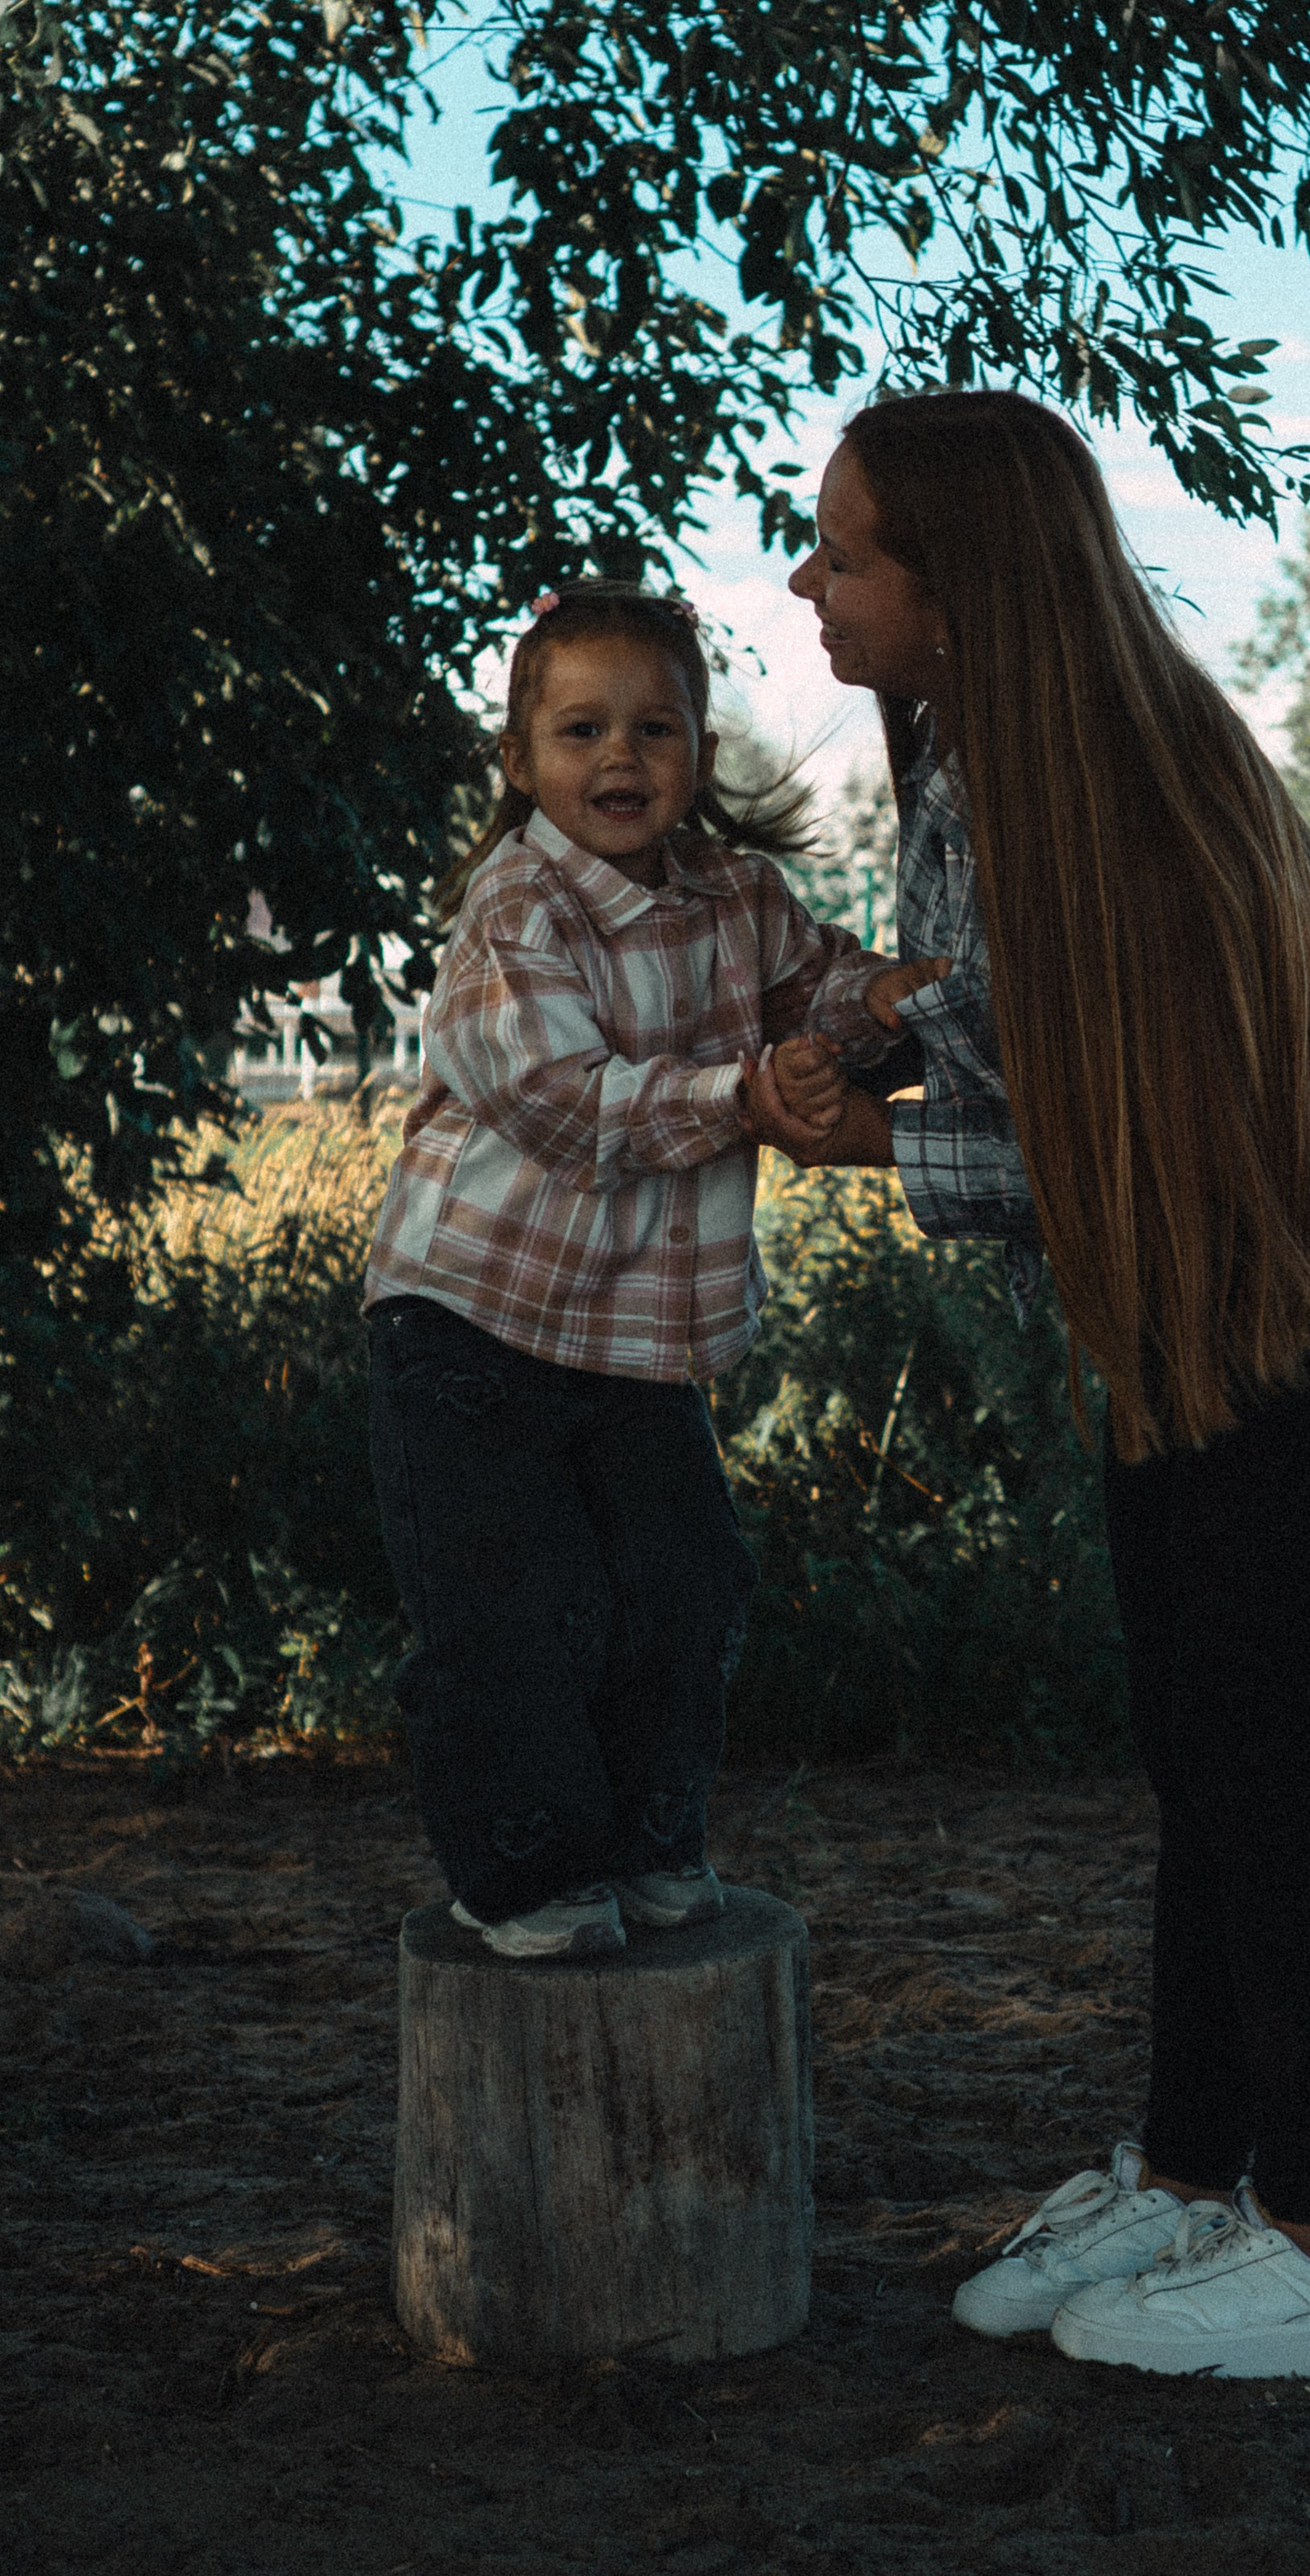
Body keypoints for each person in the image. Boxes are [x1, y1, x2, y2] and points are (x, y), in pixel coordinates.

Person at [771, 394, 1310, 2380]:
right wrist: (876, 1027)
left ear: (960, 583)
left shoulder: (1096, 784)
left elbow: (1110, 1146)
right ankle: (1189, 2179)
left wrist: (829, 1135)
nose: (806, 580)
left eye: (840, 548)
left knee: (1265, 1754)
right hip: (1192, 1306)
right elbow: (1012, 1035)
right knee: (1196, 1745)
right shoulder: (981, 766)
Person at [365, 577, 918, 1961]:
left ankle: (653, 1834)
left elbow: (815, 995)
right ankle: (528, 1872)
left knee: (682, 1580)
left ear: (701, 752)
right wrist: (747, 1097)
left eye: (655, 729)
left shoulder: (739, 894)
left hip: (633, 1337)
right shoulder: (517, 911)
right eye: (581, 730)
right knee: (513, 1607)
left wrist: (881, 1005)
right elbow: (558, 1097)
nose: (621, 758)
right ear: (522, 760)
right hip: (472, 1321)